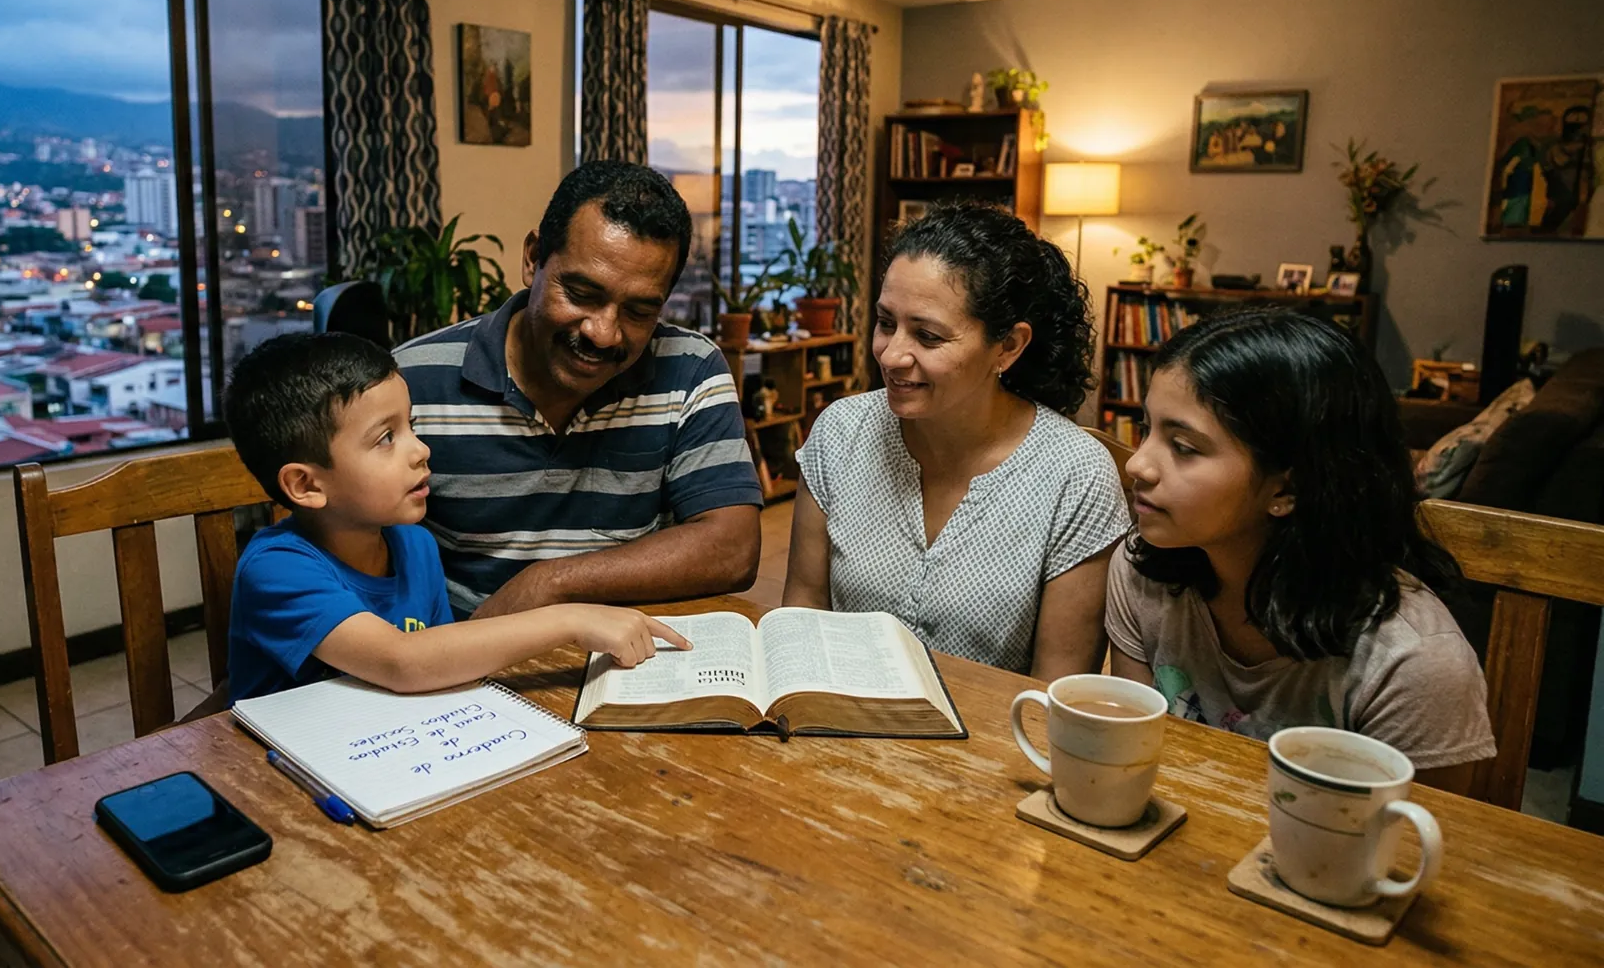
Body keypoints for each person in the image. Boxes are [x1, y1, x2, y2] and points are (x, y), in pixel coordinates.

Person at [1107, 309, 1494, 791]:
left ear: (1288, 488)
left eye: (1183, 445)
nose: (1138, 464)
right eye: (1147, 428)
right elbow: (1131, 766)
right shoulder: (1144, 570)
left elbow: (1417, 849)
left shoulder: (1412, 663)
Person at [223, 332, 688, 702]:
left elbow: (443, 664)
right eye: (386, 438)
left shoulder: (414, 544)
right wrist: (570, 619)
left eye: (413, 426)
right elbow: (403, 661)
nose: (421, 450)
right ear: (306, 485)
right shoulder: (276, 568)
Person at [396, 161, 763, 619]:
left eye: (639, 311)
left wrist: (550, 584)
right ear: (533, 259)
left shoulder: (690, 370)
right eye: (582, 294)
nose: (604, 333)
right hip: (468, 668)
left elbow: (732, 547)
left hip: (630, 662)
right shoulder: (410, 382)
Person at [783, 203, 1128, 678]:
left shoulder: (1076, 476)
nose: (891, 354)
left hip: (996, 745)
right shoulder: (842, 433)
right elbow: (802, 621)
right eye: (886, 323)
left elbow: (1054, 694)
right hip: (841, 726)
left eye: (927, 336)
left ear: (1008, 346)